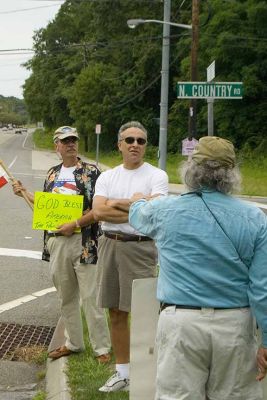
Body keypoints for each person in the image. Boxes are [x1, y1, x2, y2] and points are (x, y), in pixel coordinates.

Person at [129, 136, 267, 400]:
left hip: (181, 323)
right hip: (235, 325)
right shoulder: (254, 218)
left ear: (191, 169)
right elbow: (261, 289)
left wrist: (137, 200)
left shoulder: (164, 210)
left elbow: (137, 216)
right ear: (231, 174)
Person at [12, 126, 111, 363]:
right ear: (56, 145)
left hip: (85, 242)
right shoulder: (52, 174)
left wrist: (75, 223)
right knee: (66, 297)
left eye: (73, 140)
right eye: (65, 141)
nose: (70, 145)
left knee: (90, 297)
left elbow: (98, 209)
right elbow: (48, 207)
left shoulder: (91, 172)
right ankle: (74, 343)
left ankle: (102, 348)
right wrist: (26, 193)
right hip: (57, 242)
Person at [90, 120, 169, 392]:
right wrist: (137, 204)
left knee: (144, 312)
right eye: (130, 140)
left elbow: (156, 212)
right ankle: (122, 373)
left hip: (141, 246)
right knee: (116, 310)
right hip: (110, 244)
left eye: (141, 141)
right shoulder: (107, 177)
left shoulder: (156, 175)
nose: (135, 145)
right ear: (120, 145)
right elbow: (99, 212)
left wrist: (116, 203)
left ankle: (149, 374)